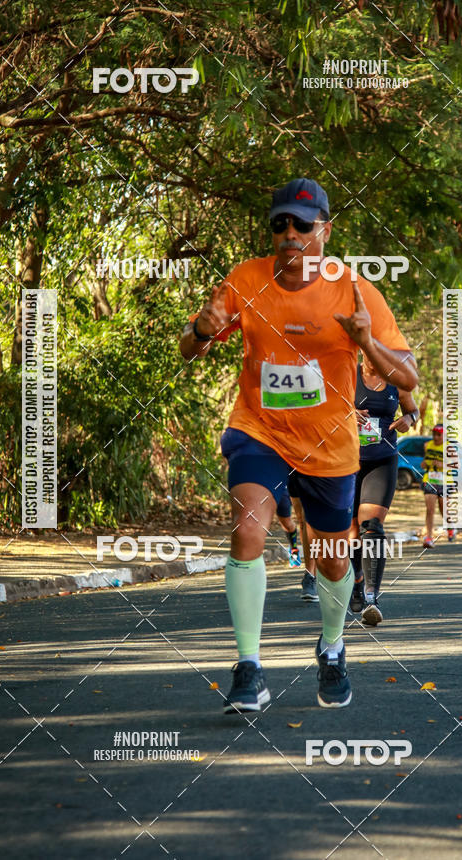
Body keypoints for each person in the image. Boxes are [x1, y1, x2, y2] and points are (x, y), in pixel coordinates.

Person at [179, 177, 418, 713]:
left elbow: (409, 376)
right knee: (247, 527)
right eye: (279, 224)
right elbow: (188, 349)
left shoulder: (355, 290)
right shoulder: (245, 279)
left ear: (324, 231)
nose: (288, 234)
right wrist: (200, 328)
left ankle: (332, 647)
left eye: (301, 225)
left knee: (333, 561)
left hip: (329, 443)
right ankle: (248, 668)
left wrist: (367, 343)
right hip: (260, 430)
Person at [349, 359, 420, 626]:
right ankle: (356, 581)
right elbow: (325, 408)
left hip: (382, 460)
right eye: (367, 351)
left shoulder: (396, 381)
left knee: (372, 527)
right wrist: (346, 413)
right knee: (350, 532)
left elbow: (413, 411)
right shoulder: (346, 373)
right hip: (346, 460)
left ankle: (371, 598)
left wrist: (408, 419)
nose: (372, 357)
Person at [421, 423, 456, 548]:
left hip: (445, 482)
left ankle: (450, 527)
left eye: (439, 435)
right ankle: (429, 537)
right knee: (430, 509)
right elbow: (424, 462)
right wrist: (424, 464)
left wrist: (444, 465)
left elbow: (457, 465)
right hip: (430, 479)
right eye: (434, 434)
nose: (436, 437)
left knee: (443, 509)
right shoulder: (427, 445)